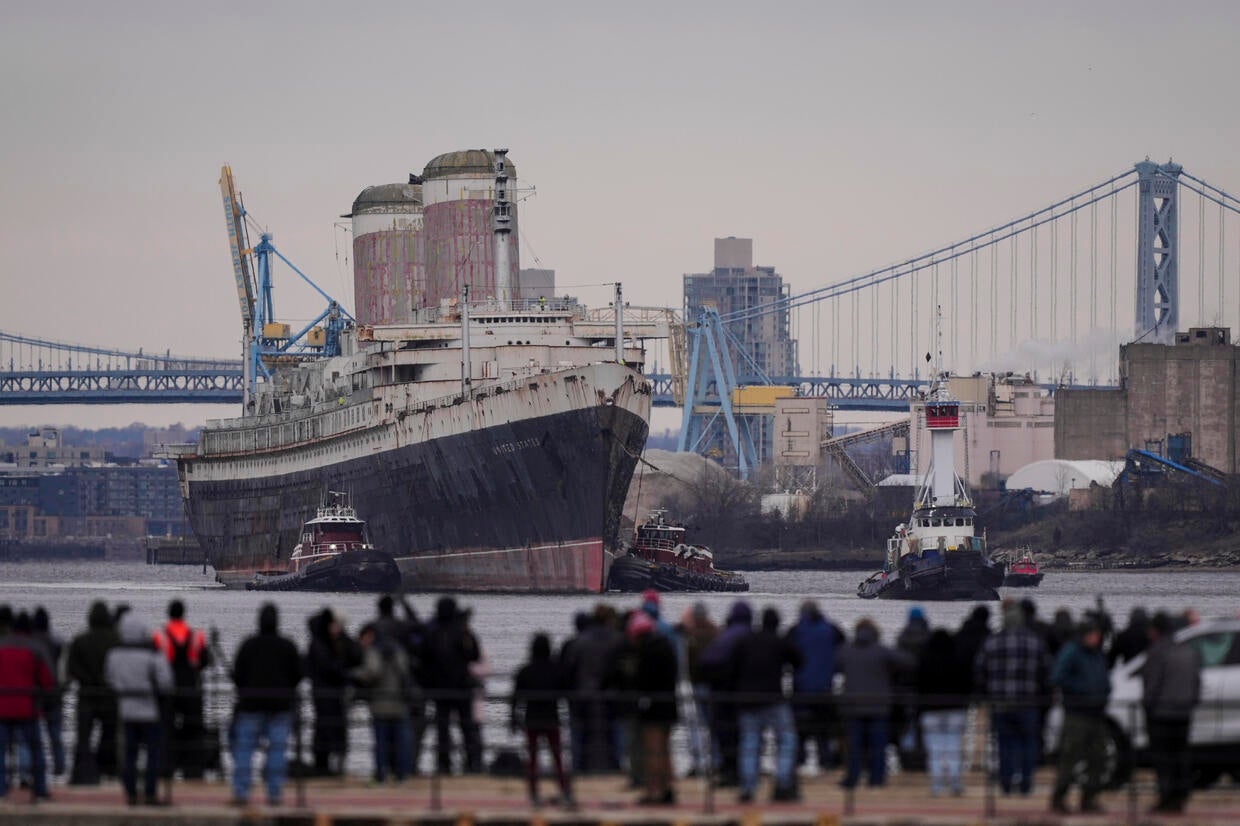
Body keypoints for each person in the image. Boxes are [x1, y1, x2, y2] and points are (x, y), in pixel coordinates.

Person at [973, 599, 1051, 796]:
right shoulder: (1035, 641)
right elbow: (1046, 671)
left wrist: (987, 692)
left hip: (1001, 703)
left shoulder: (993, 641)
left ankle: (1006, 782)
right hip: (1028, 703)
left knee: (1004, 744)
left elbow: (980, 670)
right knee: (1028, 743)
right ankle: (1026, 782)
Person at [230, 603, 304, 807]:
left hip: (251, 705)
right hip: (280, 706)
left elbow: (237, 675)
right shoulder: (287, 646)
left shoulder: (248, 645)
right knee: (277, 751)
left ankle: (241, 792)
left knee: (245, 749)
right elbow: (297, 675)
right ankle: (274, 793)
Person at [731, 607, 801, 803]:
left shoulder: (745, 641)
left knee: (749, 743)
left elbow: (732, 665)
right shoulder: (779, 641)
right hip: (773, 699)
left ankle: (747, 786)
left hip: (748, 700)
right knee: (787, 739)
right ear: (777, 624)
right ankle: (782, 782)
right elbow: (799, 659)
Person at [105, 613, 173, 806]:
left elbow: (109, 679)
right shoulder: (152, 655)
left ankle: (131, 793)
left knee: (129, 755)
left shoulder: (114, 655)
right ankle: (150, 792)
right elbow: (166, 682)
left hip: (126, 711)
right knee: (153, 754)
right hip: (149, 711)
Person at [836, 617, 910, 788]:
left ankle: (852, 778)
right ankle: (877, 779)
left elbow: (834, 665)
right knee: (878, 746)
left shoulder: (846, 651)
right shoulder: (882, 651)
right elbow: (907, 662)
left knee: (854, 746)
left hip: (853, 705)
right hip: (878, 706)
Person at [1050, 618, 1112, 814]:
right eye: (1093, 634)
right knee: (1070, 757)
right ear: (1084, 635)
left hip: (1096, 713)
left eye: (1097, 635)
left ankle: (1089, 798)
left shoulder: (1096, 654)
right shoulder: (1072, 652)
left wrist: (1105, 690)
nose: (1096, 638)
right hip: (1077, 714)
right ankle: (1058, 798)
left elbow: (1103, 675)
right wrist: (1082, 689)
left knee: (1099, 758)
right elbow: (1057, 677)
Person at [1142, 611, 1201, 815]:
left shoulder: (1157, 652)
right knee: (1181, 756)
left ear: (1156, 630)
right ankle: (1180, 796)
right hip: (1184, 713)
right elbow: (1196, 682)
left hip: (1162, 713)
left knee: (1163, 758)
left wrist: (1148, 706)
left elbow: (1152, 684)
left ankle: (1166, 797)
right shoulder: (1189, 651)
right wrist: (1191, 703)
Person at [152, 599, 212, 779]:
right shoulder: (196, 636)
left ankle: (165, 768)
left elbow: (153, 662)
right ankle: (193, 769)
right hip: (191, 686)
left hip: (168, 687)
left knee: (165, 728)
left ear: (169, 613)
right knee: (193, 728)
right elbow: (205, 660)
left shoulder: (159, 636)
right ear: (183, 613)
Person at [421, 596, 482, 774]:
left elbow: (424, 657)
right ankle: (473, 763)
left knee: (442, 730)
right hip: (462, 688)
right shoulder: (462, 632)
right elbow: (474, 655)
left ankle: (443, 765)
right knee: (467, 728)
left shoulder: (432, 632)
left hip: (440, 689)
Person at [511, 633, 572, 807]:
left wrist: (513, 718)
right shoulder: (556, 669)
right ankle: (564, 790)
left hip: (532, 719)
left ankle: (533, 792)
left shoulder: (525, 671)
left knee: (532, 758)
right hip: (552, 717)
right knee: (558, 757)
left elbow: (515, 698)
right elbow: (566, 692)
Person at [697, 600, 753, 786]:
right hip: (743, 694)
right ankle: (745, 772)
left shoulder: (723, 637)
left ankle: (726, 770)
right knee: (744, 736)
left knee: (724, 736)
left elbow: (705, 663)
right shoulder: (748, 636)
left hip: (719, 694)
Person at [561, 604, 623, 773]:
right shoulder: (617, 640)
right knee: (612, 734)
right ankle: (616, 767)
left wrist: (569, 693)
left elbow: (568, 670)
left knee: (579, 735)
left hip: (581, 695)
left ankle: (578, 768)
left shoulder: (577, 643)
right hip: (610, 696)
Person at [0, 606, 53, 802]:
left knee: (1, 750)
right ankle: (38, 788)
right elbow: (47, 681)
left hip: (2, 706)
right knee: (35, 748)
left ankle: (1, 788)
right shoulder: (35, 648)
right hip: (27, 707)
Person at [625, 611, 678, 805]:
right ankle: (667, 790)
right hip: (671, 704)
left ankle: (652, 792)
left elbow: (641, 680)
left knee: (652, 751)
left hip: (653, 707)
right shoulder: (667, 646)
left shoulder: (647, 651)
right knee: (665, 751)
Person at [67, 600, 121, 783]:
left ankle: (79, 774)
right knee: (109, 736)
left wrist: (88, 680)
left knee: (83, 739)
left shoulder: (79, 641)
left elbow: (71, 668)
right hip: (109, 696)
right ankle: (107, 771)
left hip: (86, 695)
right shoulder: (116, 640)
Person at [353, 622, 415, 783]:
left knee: (380, 743)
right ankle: (401, 774)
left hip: (380, 703)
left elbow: (372, 672)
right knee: (400, 742)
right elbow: (406, 673)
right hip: (399, 703)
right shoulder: (399, 651)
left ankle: (381, 774)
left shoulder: (374, 651)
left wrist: (354, 674)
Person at [305, 608, 361, 776]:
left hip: (328, 695)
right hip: (327, 696)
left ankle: (331, 765)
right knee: (328, 731)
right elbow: (329, 667)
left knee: (330, 731)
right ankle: (326, 766)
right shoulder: (321, 645)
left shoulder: (330, 643)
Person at [786, 600, 840, 770]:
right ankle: (827, 762)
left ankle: (797, 765)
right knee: (824, 732)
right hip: (825, 688)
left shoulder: (795, 631)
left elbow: (785, 653)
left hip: (801, 688)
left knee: (800, 732)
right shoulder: (831, 630)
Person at [916, 628, 970, 796]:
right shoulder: (959, 660)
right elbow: (967, 683)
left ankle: (936, 785)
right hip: (955, 709)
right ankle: (954, 783)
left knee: (934, 749)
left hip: (931, 710)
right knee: (953, 746)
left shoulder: (925, 660)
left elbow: (918, 684)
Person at [677, 602, 718, 777]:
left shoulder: (690, 635)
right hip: (713, 686)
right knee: (714, 725)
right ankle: (716, 761)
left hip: (696, 685)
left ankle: (698, 762)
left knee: (694, 725)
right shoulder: (717, 633)